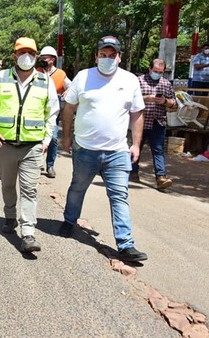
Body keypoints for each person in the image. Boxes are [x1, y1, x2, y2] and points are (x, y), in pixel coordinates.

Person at [59, 36, 148, 263]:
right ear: (96, 56)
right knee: (78, 187)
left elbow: (137, 114)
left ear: (119, 57)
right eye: (103, 55)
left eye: (112, 55)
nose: (107, 59)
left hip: (117, 151)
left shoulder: (130, 80)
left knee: (119, 195)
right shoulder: (83, 77)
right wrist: (66, 136)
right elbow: (69, 108)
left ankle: (125, 244)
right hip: (85, 149)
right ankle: (69, 221)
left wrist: (136, 144)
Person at [0, 37, 59, 253]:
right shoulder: (1, 78)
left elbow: (51, 113)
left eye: (31, 52)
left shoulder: (46, 81)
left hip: (33, 146)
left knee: (29, 189)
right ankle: (9, 216)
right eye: (22, 51)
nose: (26, 55)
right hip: (4, 144)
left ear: (36, 56)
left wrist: (46, 140)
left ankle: (28, 233)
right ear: (14, 55)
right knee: (7, 185)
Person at [130, 59, 176, 190]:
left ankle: (161, 177)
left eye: (160, 72)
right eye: (155, 71)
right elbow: (129, 99)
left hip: (158, 121)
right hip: (140, 120)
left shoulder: (166, 84)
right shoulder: (139, 81)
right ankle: (132, 172)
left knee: (158, 150)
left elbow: (174, 104)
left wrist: (165, 101)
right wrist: (146, 98)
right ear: (150, 69)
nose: (158, 74)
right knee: (136, 145)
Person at [37, 45, 71, 178]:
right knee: (37, 136)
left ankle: (50, 165)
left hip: (53, 110)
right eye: (42, 58)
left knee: (53, 138)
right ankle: (37, 162)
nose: (43, 60)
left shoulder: (61, 74)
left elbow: (71, 86)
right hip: (38, 109)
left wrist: (67, 90)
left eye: (45, 58)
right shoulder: (37, 71)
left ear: (52, 59)